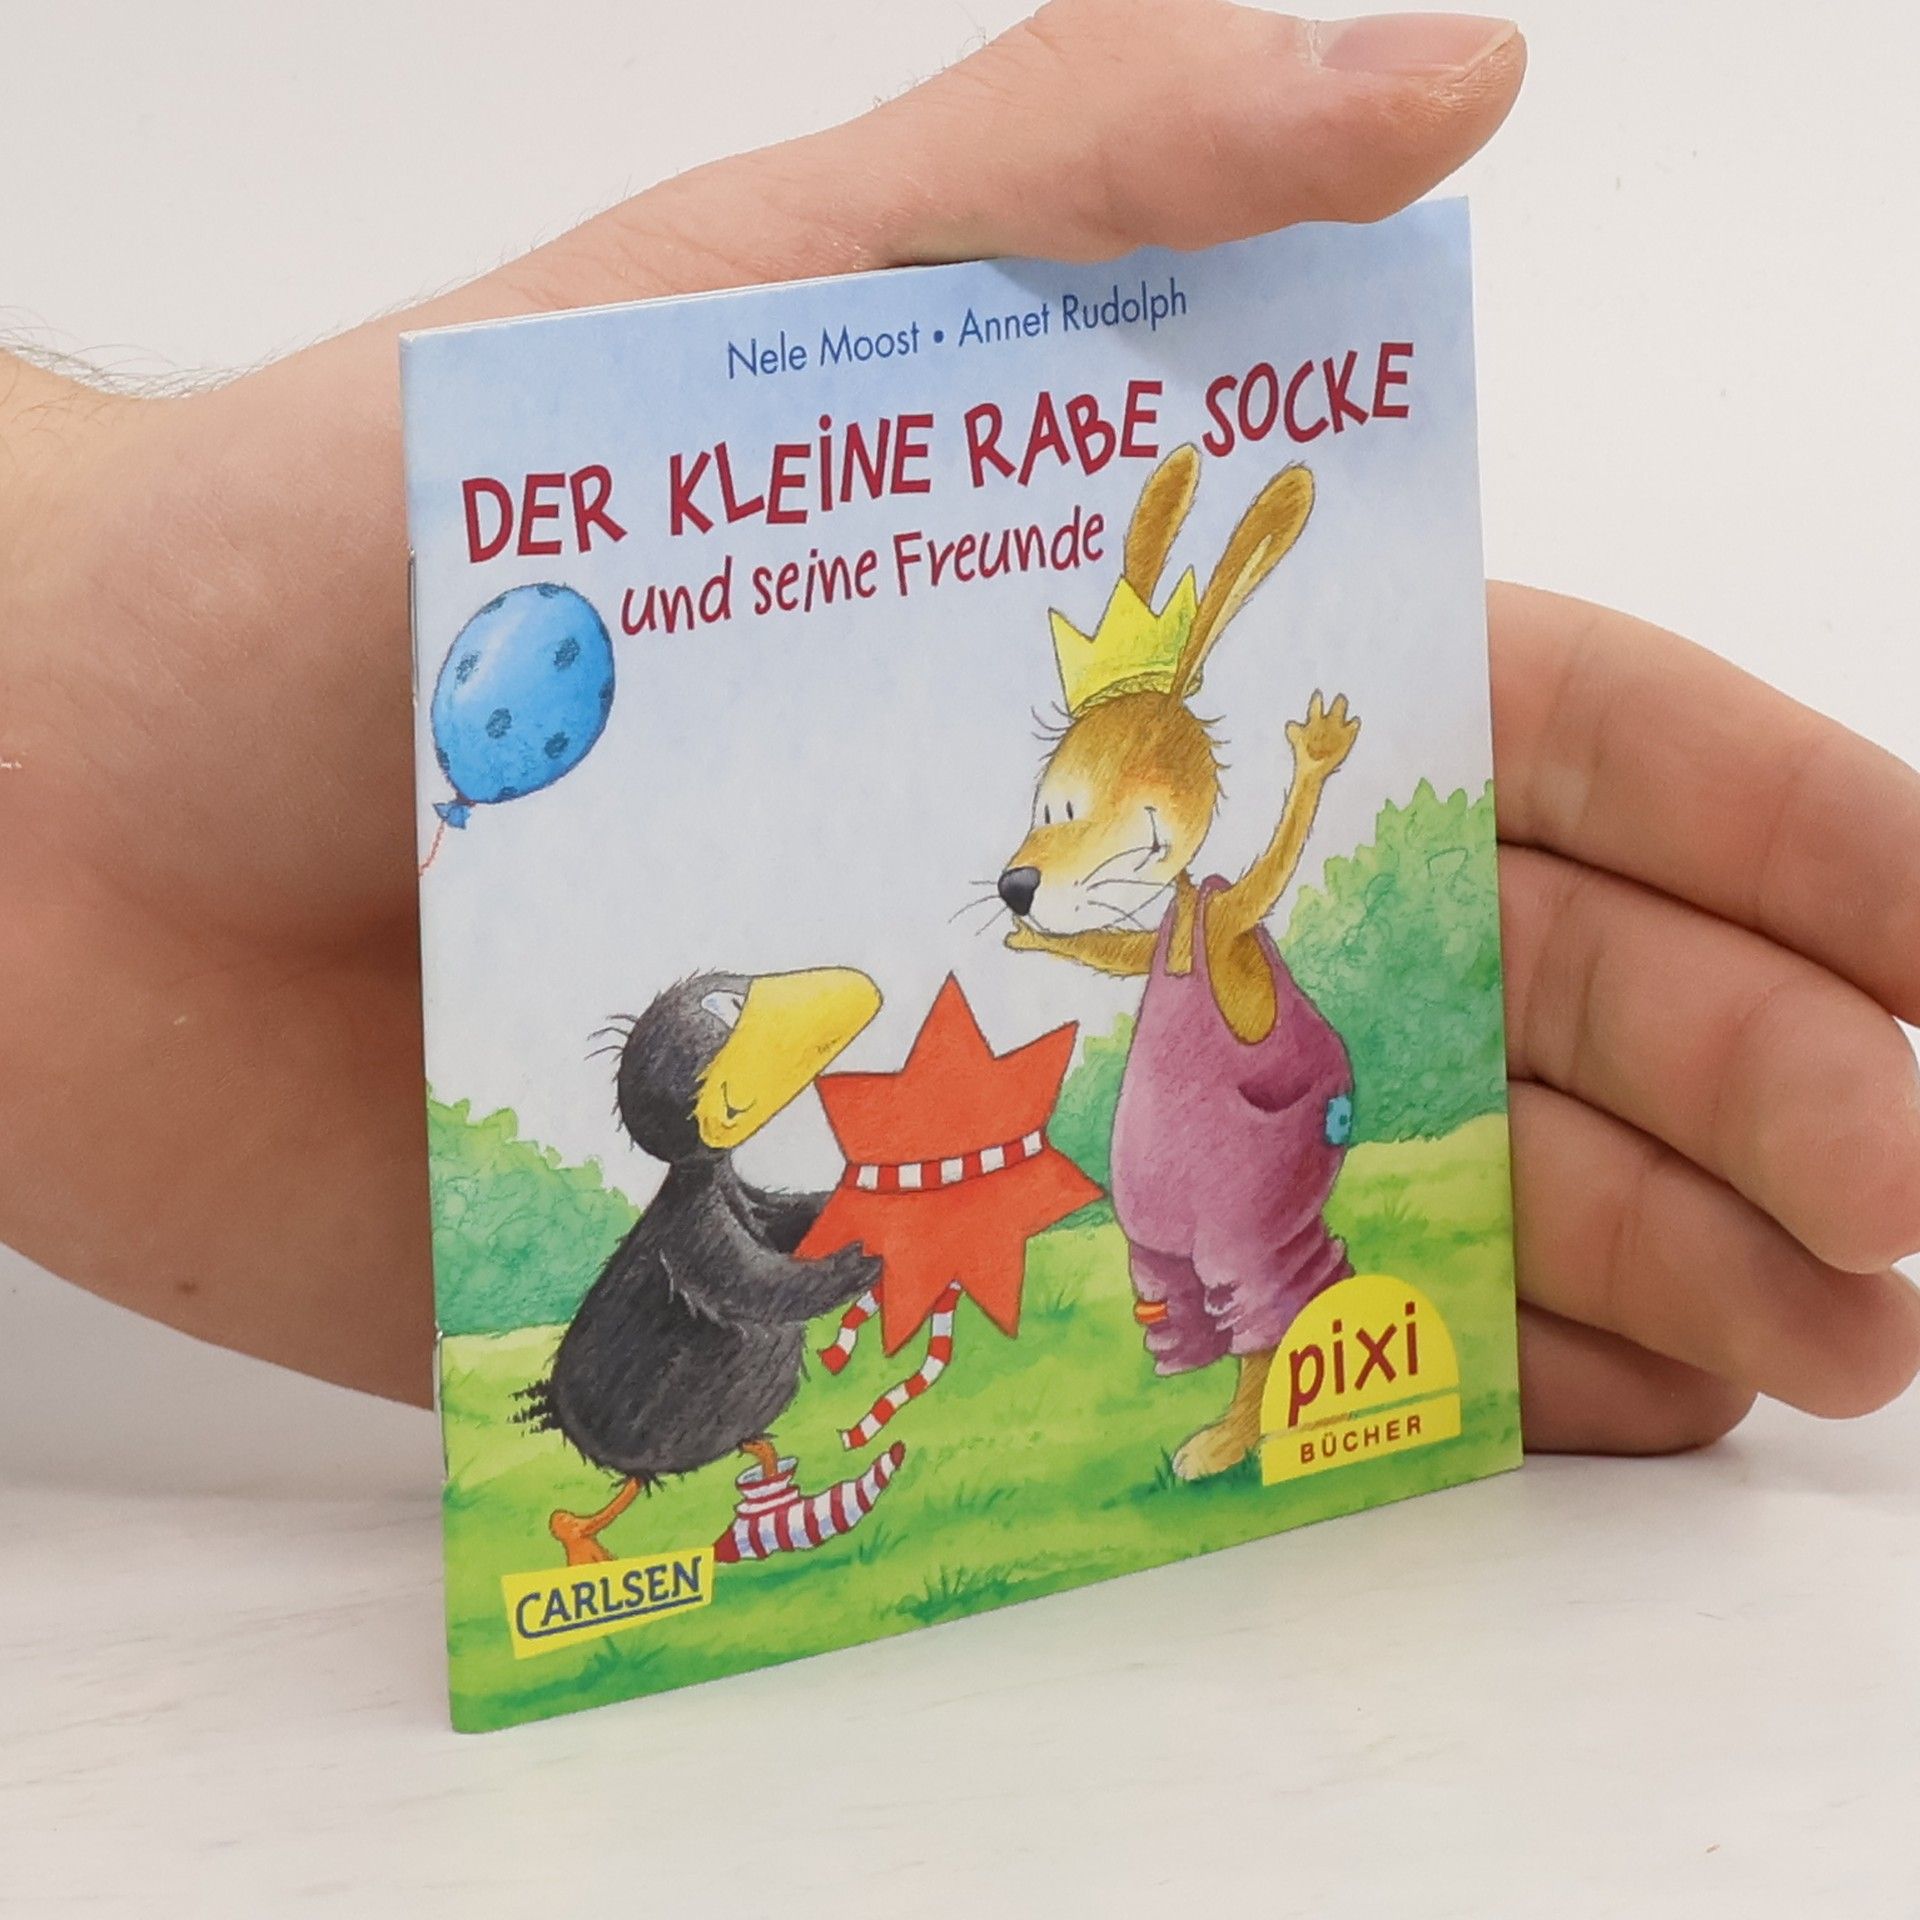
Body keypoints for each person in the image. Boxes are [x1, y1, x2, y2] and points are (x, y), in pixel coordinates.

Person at [3, 0, 1916, 1455]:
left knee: (1247, 1263)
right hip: (1122, 1179)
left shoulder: (1202, 907)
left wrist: (1322, 774)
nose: (1052, 850)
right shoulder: (1031, 971)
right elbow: (1048, 966)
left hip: (1227, 1140)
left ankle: (1257, 1388)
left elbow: (1245, 881)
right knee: (1166, 1270)